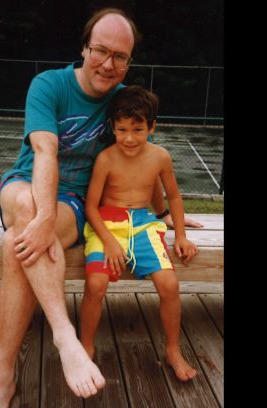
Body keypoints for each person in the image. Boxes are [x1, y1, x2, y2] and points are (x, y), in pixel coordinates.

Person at [0, 8, 200, 408]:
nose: (108, 64)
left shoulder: (124, 99)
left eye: (120, 56)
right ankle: (65, 337)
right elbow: (45, 153)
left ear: (129, 61)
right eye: (101, 51)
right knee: (29, 214)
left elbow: (146, 154)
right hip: (25, 186)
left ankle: (1, 377)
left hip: (71, 201)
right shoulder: (49, 85)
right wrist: (44, 215)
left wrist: (166, 217)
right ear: (84, 48)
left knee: (20, 243)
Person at [80, 85, 199, 382]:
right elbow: (90, 207)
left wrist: (181, 235)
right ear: (113, 127)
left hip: (144, 225)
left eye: (138, 129)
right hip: (107, 225)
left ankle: (172, 350)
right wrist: (108, 241)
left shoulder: (160, 157)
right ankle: (86, 347)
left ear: (152, 126)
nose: (129, 138)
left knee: (170, 285)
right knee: (95, 284)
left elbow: (173, 197)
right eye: (122, 129)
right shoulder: (106, 158)